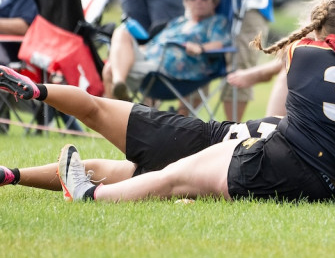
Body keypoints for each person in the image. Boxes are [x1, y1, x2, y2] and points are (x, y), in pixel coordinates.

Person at [50, 0, 335, 205]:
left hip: (283, 166)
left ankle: (92, 196)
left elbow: (277, 117)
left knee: (174, 175)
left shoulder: (297, 52)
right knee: (180, 178)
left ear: (315, 27)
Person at [0, 65, 282, 192]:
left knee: (95, 110)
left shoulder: (299, 128)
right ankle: (12, 176)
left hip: (195, 138)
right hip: (207, 170)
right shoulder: (311, 144)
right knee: (103, 175)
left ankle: (37, 90)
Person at [102, 0, 231, 103]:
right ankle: (120, 85)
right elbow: (154, 43)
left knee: (109, 70)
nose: (198, 0)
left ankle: (120, 100)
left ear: (214, 0)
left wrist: (201, 48)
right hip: (149, 60)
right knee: (121, 31)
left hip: (167, 73)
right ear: (186, 1)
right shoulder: (178, 22)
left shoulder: (216, 22)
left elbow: (220, 44)